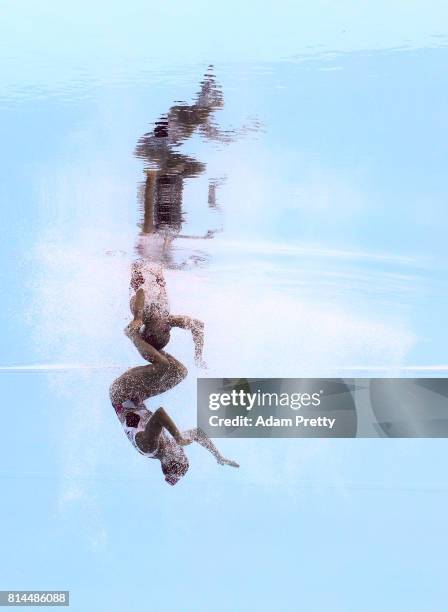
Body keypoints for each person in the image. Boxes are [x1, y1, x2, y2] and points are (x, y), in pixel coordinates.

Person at [110, 309, 238, 486]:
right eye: (182, 452)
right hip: (136, 397)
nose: (180, 449)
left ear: (168, 460)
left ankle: (133, 335)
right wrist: (218, 456)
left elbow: (159, 415)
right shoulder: (169, 444)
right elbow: (199, 434)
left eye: (181, 454)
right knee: (179, 372)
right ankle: (149, 338)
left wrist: (177, 436)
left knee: (162, 367)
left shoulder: (149, 447)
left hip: (121, 393)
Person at [129, 260, 206, 367]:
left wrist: (137, 318)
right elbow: (198, 325)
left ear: (150, 331)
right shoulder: (168, 320)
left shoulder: (142, 315)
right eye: (168, 331)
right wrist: (198, 357)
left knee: (143, 260)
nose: (169, 328)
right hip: (156, 269)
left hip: (142, 266)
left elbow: (140, 292)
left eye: (165, 331)